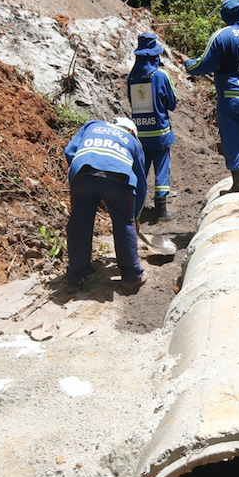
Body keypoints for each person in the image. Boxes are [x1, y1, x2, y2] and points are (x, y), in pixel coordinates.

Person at [184, 0, 239, 194]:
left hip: (232, 98)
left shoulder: (222, 36)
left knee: (231, 142)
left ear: (224, 16)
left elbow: (204, 64)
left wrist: (188, 64)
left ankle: (238, 186)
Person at [64, 117, 147, 293]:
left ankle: (76, 278)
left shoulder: (92, 125)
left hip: (82, 172)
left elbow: (69, 151)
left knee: (79, 224)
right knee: (124, 223)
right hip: (118, 177)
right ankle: (132, 276)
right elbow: (140, 182)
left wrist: (85, 174)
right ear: (131, 132)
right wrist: (135, 216)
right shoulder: (132, 141)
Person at [127, 33, 178, 223]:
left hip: (140, 134)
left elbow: (131, 101)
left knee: (140, 170)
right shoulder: (161, 75)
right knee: (162, 169)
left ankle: (135, 210)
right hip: (160, 133)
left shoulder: (132, 77)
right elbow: (172, 103)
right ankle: (161, 210)